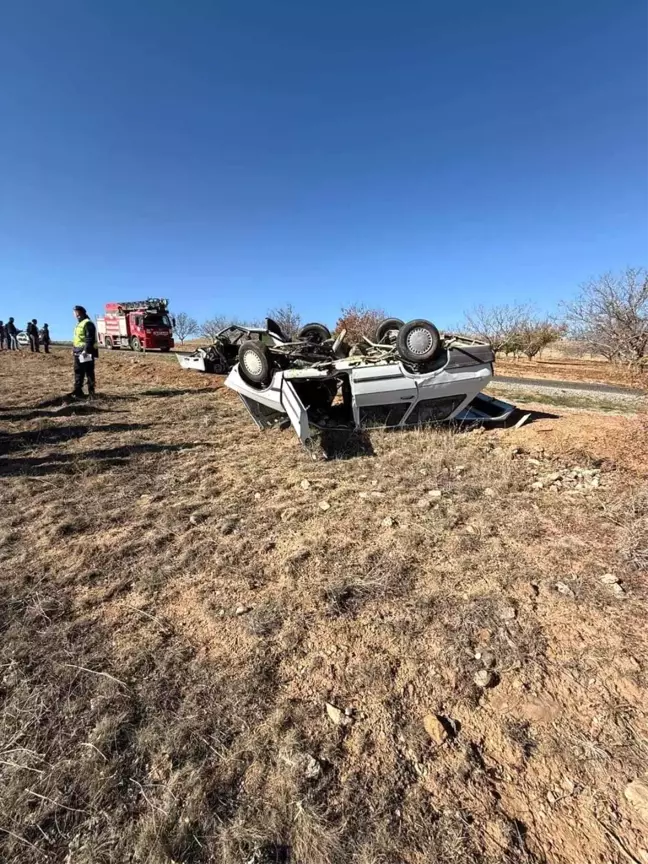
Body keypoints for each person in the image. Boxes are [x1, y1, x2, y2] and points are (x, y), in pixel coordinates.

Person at [72, 305, 98, 398]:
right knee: (78, 371)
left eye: (77, 312)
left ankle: (91, 393)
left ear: (81, 313)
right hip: (78, 351)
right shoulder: (79, 323)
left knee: (88, 372)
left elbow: (89, 339)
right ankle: (78, 391)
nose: (75, 314)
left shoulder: (88, 323)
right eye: (75, 313)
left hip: (85, 352)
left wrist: (85, 351)